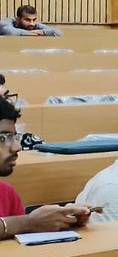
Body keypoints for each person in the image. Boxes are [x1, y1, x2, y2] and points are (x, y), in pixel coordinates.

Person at [0, 96, 96, 239]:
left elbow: (19, 245)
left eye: (14, 137)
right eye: (3, 138)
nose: (17, 147)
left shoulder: (7, 193)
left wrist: (62, 221)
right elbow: (26, 225)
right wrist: (28, 223)